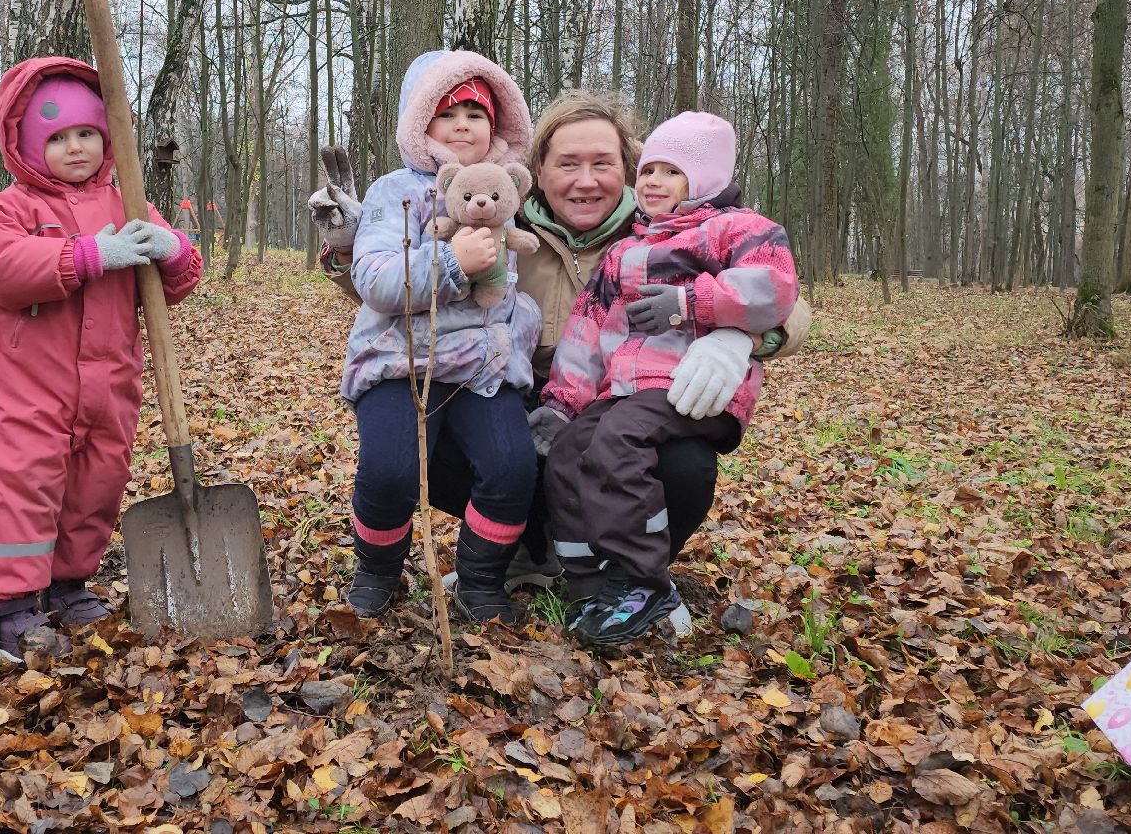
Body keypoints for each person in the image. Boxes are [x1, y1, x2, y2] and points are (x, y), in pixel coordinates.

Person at [314, 91, 810, 616]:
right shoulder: (501, 221)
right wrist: (347, 249)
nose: (585, 180)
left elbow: (785, 297)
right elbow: (403, 294)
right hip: (518, 392)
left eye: (603, 164)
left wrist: (742, 338)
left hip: (622, 404)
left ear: (629, 169)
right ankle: (524, 550)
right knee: (449, 441)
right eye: (567, 164)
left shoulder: (667, 232)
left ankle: (634, 575)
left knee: (686, 463)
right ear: (537, 172)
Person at [0, 56, 204, 661]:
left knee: (95, 484)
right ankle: (9, 609)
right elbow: (1, 271)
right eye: (57, 137)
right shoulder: (8, 209)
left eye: (87, 133)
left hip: (108, 383)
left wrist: (173, 249)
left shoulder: (129, 204)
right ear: (26, 146)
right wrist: (88, 255)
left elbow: (174, 284)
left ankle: (68, 584)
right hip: (25, 386)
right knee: (22, 484)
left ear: (107, 137)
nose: (75, 147)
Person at [534, 111, 798, 646]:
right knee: (568, 451)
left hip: (692, 383)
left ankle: (642, 579)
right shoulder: (626, 250)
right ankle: (590, 582)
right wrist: (561, 404)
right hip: (625, 386)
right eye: (649, 170)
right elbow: (587, 331)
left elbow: (774, 289)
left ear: (704, 181)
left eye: (672, 172)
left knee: (617, 443)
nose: (654, 181)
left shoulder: (738, 229)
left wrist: (697, 306)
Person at [339, 50, 542, 625]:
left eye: (476, 114)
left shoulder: (506, 193)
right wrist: (451, 262)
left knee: (511, 466)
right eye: (446, 114)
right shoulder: (393, 191)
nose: (462, 125)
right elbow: (374, 278)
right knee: (390, 471)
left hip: (483, 363)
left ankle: (481, 579)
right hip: (400, 359)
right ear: (419, 123)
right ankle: (377, 571)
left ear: (496, 126)